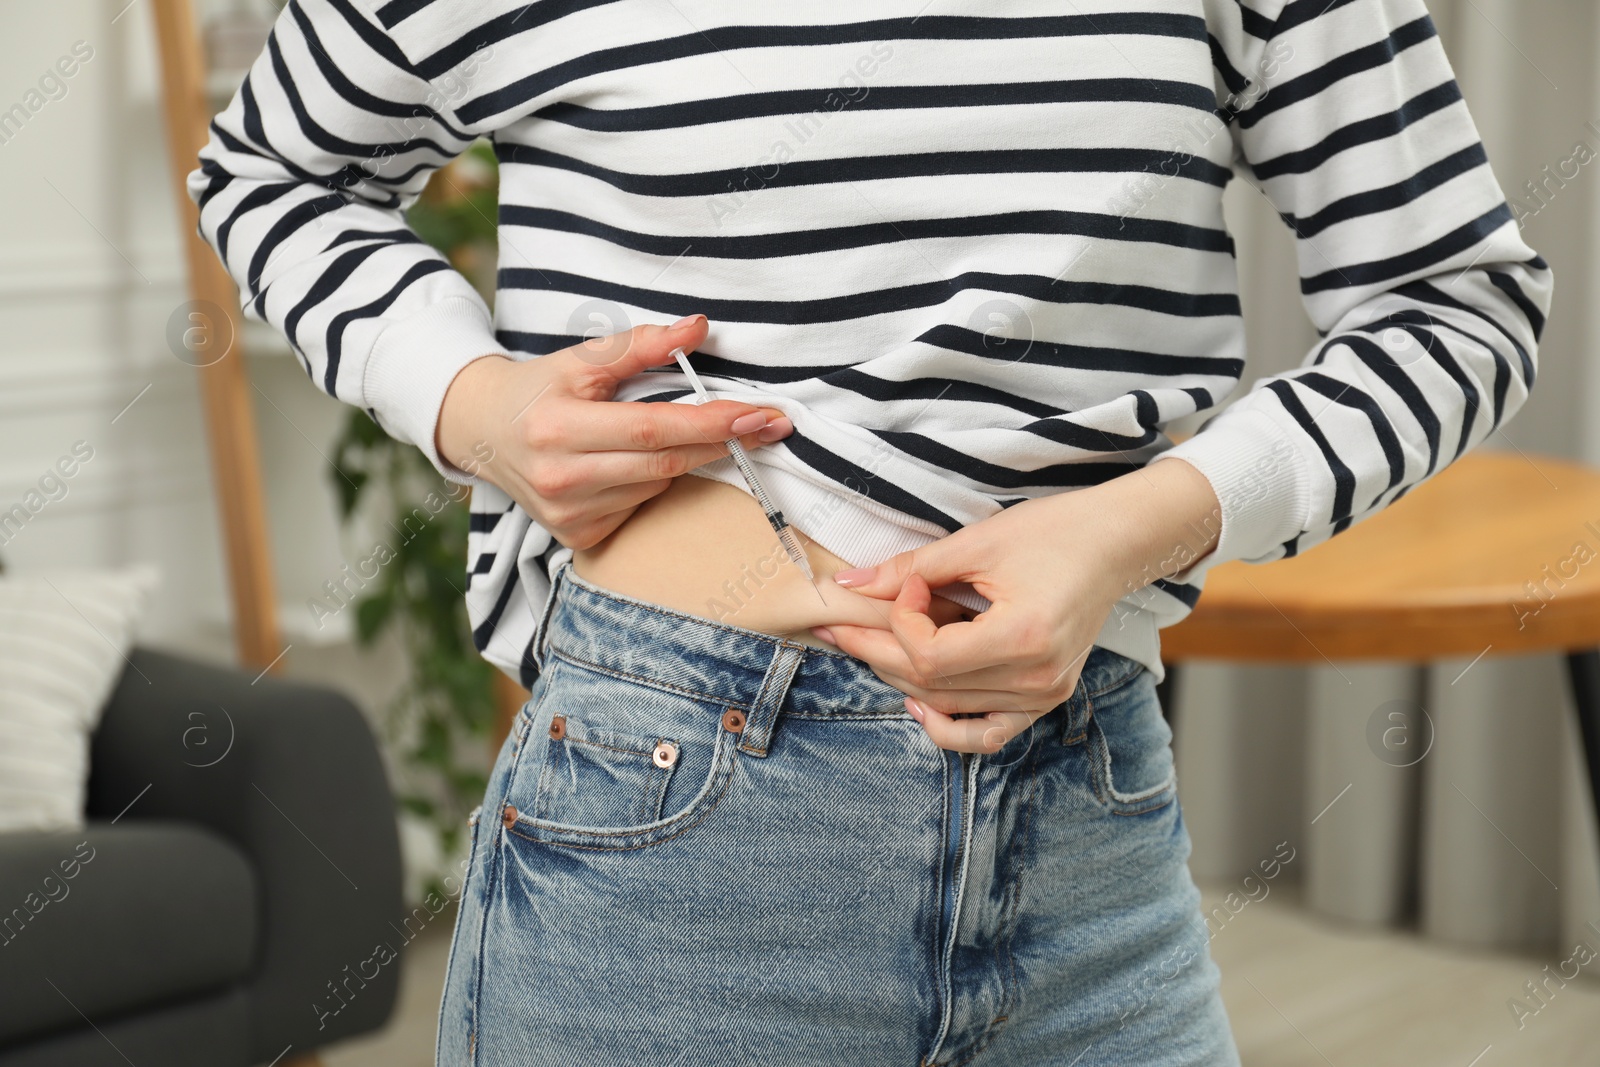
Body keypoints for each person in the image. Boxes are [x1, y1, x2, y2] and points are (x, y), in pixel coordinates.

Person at [191, 0, 1551, 1063]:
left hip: (1086, 817)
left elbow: (1456, 304)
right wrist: (470, 401)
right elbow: (265, 166)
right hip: (663, 811)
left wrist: (1142, 525)